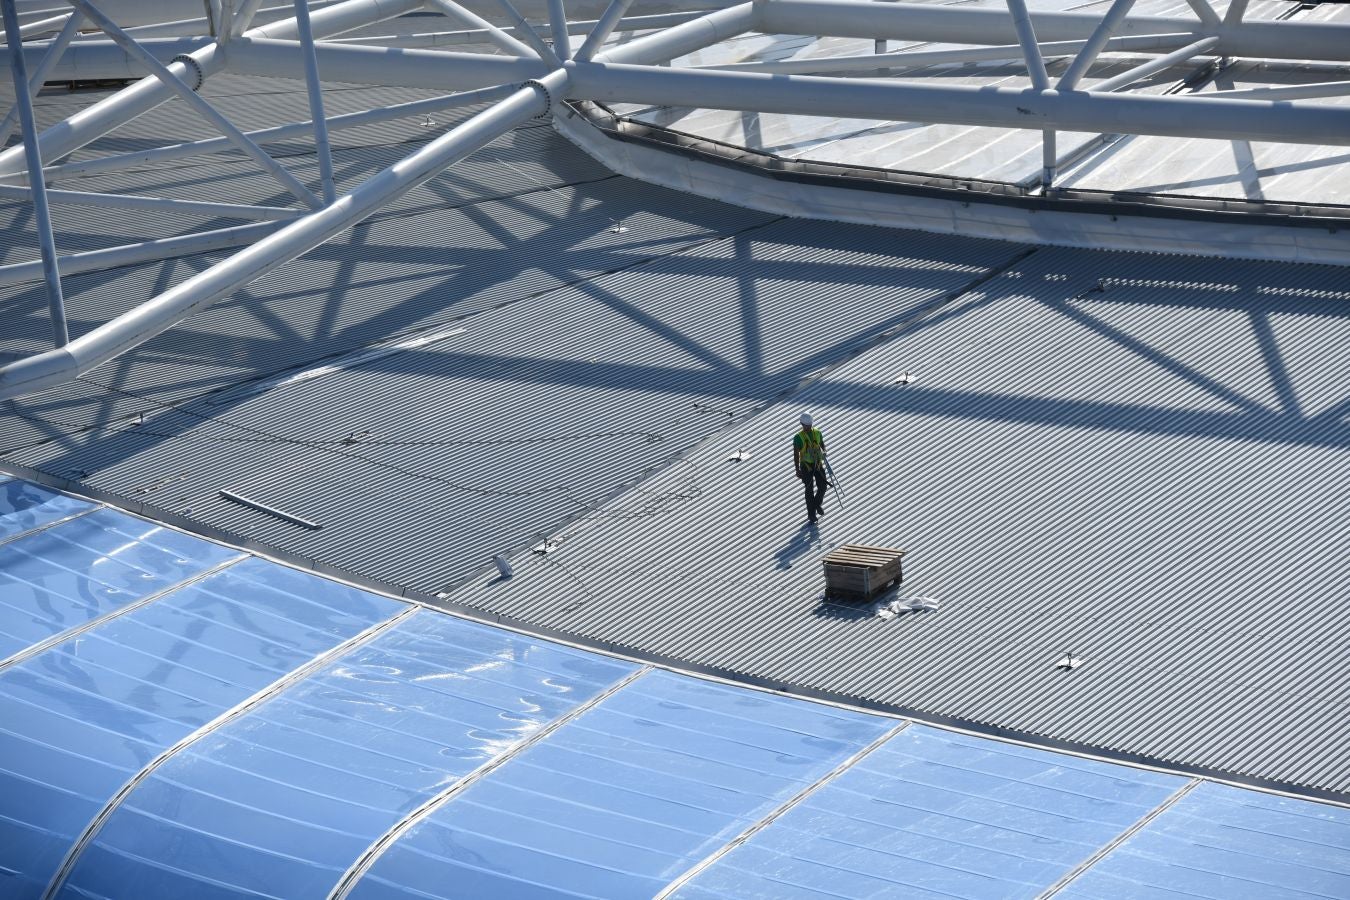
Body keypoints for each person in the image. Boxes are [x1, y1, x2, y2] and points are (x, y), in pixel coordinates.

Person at [793, 412, 828, 523]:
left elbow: (822, 443)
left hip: (817, 463)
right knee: (809, 490)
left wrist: (824, 451)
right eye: (805, 426)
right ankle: (811, 514)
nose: (807, 428)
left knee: (823, 486)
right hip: (806, 466)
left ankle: (816, 504)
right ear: (801, 424)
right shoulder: (798, 437)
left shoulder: (818, 432)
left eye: (809, 426)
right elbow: (796, 454)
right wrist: (797, 469)